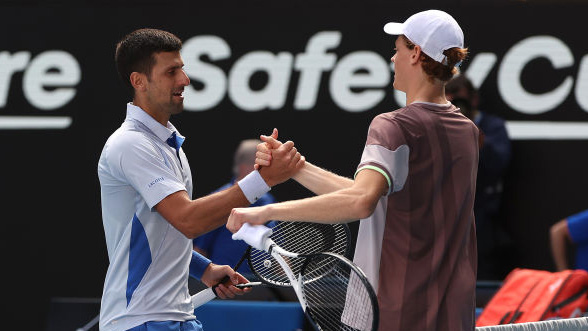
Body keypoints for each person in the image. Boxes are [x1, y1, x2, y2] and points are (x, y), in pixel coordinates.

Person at [228, 10, 478, 331]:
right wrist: (297, 169)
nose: (392, 58)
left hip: (391, 314)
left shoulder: (393, 126)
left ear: (415, 54)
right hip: (453, 316)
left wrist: (264, 213)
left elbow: (361, 202)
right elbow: (372, 194)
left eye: (398, 49)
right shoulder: (466, 130)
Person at [97, 28, 303, 331]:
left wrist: (204, 268)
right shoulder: (130, 144)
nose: (184, 79)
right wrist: (262, 180)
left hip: (177, 318)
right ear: (138, 81)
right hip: (139, 321)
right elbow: (189, 221)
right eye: (171, 71)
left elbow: (164, 234)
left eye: (182, 68)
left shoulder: (167, 146)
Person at [445, 74, 512, 280]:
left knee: (480, 278)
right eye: (450, 97)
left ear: (474, 99)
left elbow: (497, 165)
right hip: (444, 218)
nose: (457, 103)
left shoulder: (493, 127)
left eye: (460, 98)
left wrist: (470, 129)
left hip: (481, 220)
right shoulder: (438, 126)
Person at [193, 139, 276, 277]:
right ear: (246, 167)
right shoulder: (218, 201)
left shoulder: (268, 201)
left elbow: (276, 249)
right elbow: (199, 250)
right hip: (224, 290)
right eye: (264, 167)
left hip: (263, 292)